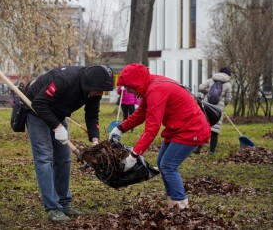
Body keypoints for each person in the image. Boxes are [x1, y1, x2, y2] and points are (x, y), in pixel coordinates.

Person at [108, 63, 210, 209]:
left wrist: (134, 155)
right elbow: (141, 113)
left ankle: (181, 205)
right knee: (162, 163)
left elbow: (152, 128)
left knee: (168, 165)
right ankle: (173, 203)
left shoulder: (156, 90)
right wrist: (120, 128)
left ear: (135, 82)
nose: (129, 91)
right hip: (178, 128)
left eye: (129, 87)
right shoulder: (150, 86)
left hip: (192, 129)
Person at [24, 65, 113, 222]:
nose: (100, 94)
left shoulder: (94, 89)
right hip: (36, 111)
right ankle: (52, 208)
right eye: (99, 90)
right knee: (44, 158)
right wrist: (58, 128)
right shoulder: (64, 80)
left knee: (64, 159)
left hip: (58, 113)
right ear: (90, 84)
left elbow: (92, 114)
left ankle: (64, 203)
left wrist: (95, 141)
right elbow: (39, 104)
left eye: (103, 91)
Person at [195, 66, 233, 154]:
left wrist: (207, 93)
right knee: (215, 131)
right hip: (218, 109)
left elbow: (201, 88)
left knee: (203, 127)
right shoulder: (228, 84)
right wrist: (223, 104)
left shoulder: (211, 80)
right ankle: (211, 151)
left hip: (206, 106)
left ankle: (197, 148)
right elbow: (228, 99)